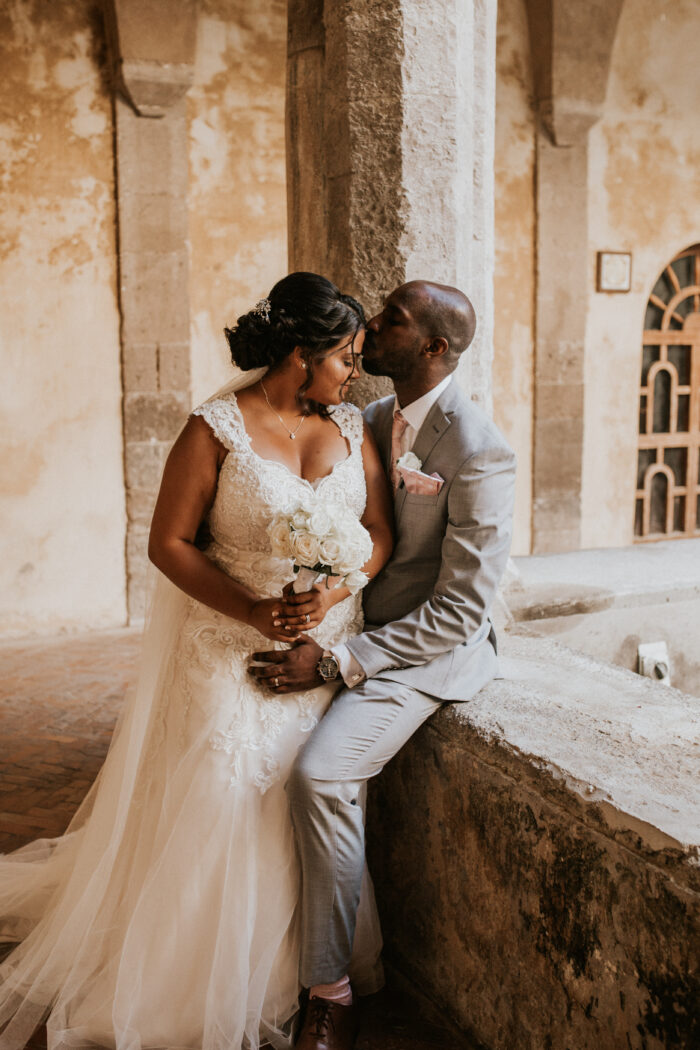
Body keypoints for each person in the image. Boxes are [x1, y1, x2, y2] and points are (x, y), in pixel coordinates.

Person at [0, 272, 394, 1050]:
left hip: (324, 640)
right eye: (345, 356)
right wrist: (253, 612)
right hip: (226, 636)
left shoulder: (350, 427)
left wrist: (337, 590)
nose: (355, 371)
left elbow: (377, 531)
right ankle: (193, 979)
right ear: (299, 351)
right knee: (222, 781)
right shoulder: (215, 429)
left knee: (307, 790)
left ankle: (303, 971)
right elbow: (168, 543)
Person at [250, 280, 516, 1050]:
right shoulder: (367, 417)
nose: (371, 326)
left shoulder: (479, 449)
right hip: (351, 626)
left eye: (390, 320)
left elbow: (462, 612)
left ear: (433, 348)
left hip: (424, 654)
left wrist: (337, 660)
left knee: (321, 775)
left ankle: (329, 990)